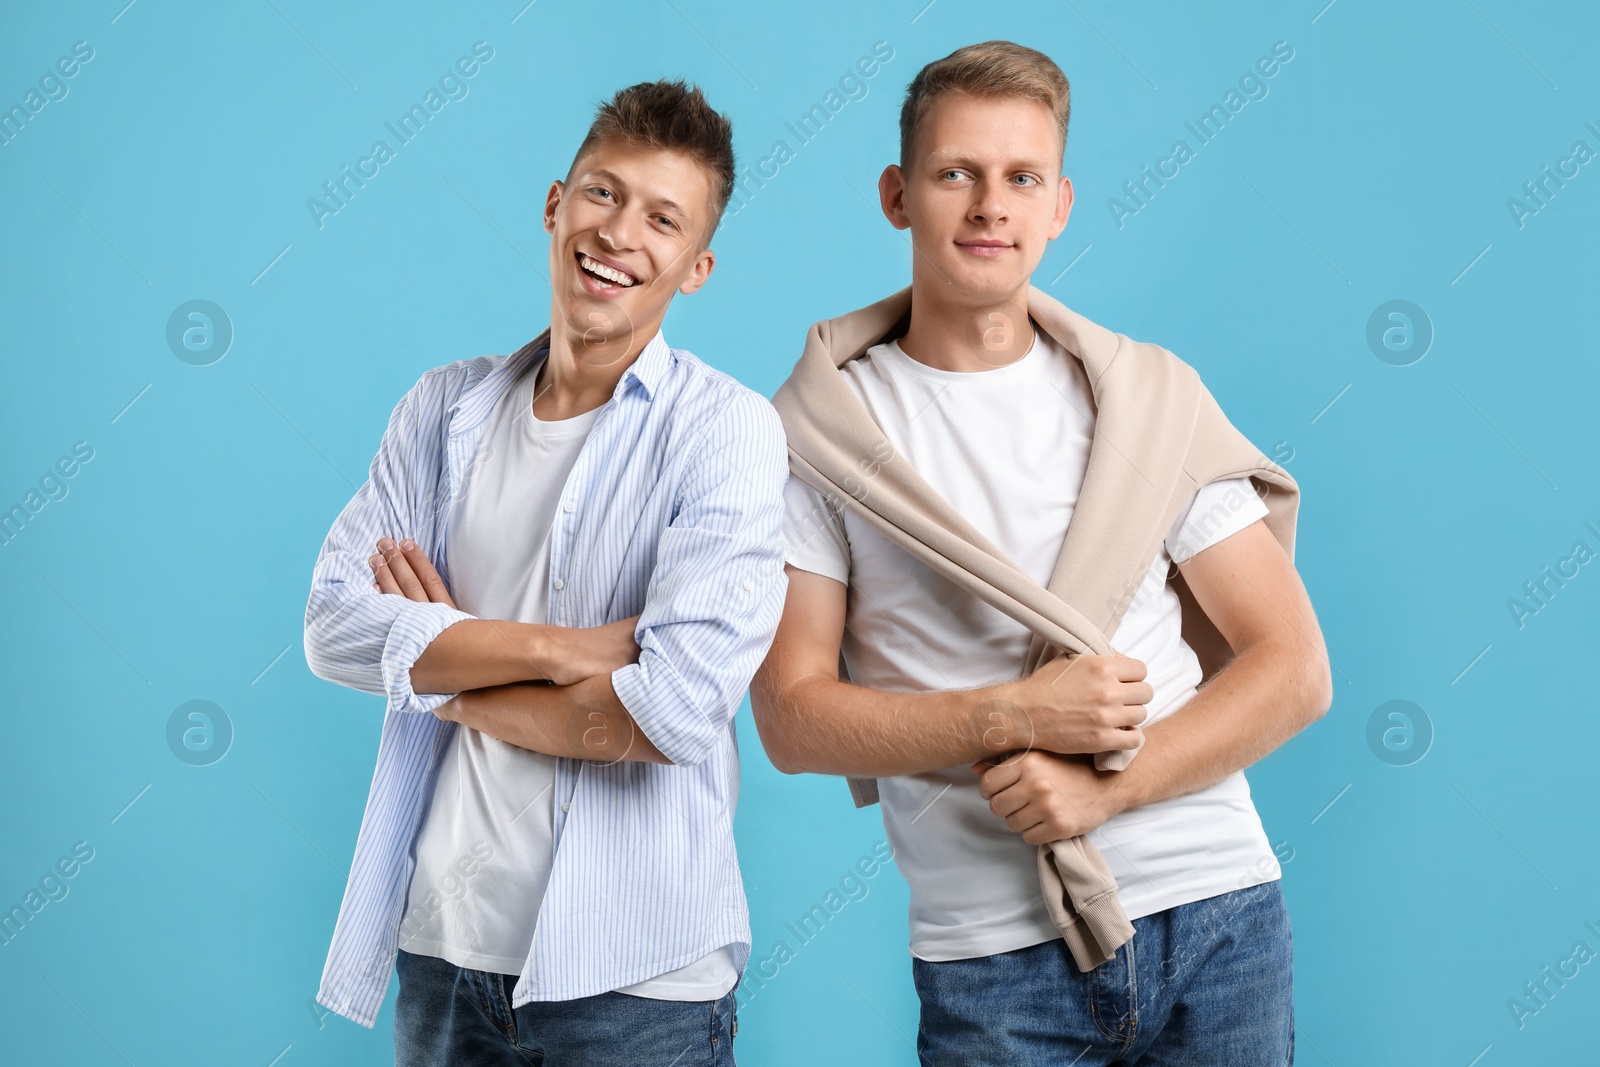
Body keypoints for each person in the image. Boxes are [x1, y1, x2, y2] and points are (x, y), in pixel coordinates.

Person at [751, 41, 1331, 1066]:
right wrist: (1009, 716)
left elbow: (1292, 668)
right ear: (897, 194)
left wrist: (1112, 784)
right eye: (954, 173)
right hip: (992, 955)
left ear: (1059, 204)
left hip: (1217, 910)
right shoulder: (819, 438)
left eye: (1020, 177)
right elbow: (791, 717)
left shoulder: (1146, 403)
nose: (989, 206)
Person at [302, 79, 787, 1067]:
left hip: (633, 979)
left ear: (695, 267)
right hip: (442, 948)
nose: (619, 234)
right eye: (603, 195)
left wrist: (441, 675)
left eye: (662, 218)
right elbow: (330, 626)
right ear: (555, 203)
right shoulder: (442, 410)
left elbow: (673, 712)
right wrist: (560, 650)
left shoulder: (726, 431)